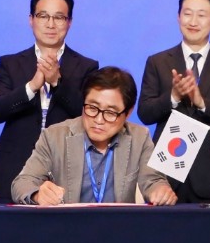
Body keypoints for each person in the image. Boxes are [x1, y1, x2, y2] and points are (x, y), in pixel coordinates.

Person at [0, 0, 99, 203]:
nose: (50, 24)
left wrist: (56, 82)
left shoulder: (86, 67)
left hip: (67, 169)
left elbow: (88, 115)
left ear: (69, 22)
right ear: (31, 20)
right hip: (14, 168)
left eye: (59, 17)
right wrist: (31, 87)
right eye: (43, 16)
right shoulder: (10, 64)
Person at [138, 0, 210, 203]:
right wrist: (173, 97)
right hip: (167, 173)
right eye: (187, 14)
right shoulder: (158, 62)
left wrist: (202, 103)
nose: (193, 21)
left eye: (202, 15)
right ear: (178, 17)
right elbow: (145, 113)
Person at [12, 67, 177, 206]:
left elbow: (153, 180)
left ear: (128, 112)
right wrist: (37, 194)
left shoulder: (140, 138)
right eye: (92, 108)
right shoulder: (54, 136)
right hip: (68, 229)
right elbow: (21, 183)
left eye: (110, 112)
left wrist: (160, 191)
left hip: (119, 229)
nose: (98, 120)